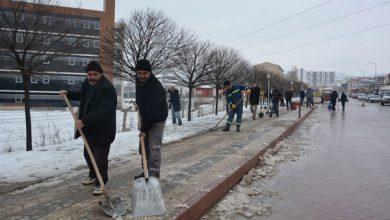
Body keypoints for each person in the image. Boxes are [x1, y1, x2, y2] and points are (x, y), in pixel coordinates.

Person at [59, 61, 117, 195]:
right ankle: (92, 175)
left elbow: (103, 110)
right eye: (89, 74)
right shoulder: (87, 83)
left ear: (100, 74)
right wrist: (68, 93)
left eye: (94, 74)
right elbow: (82, 94)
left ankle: (101, 183)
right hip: (90, 129)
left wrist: (84, 121)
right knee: (87, 154)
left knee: (99, 158)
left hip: (103, 130)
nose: (91, 77)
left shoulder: (107, 89)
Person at [134, 59, 168, 179]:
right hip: (146, 117)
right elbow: (141, 98)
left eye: (145, 73)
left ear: (150, 72)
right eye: (140, 73)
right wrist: (138, 104)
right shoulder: (139, 82)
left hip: (157, 119)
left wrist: (144, 130)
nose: (142, 76)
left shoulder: (156, 87)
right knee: (143, 146)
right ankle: (146, 170)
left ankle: (154, 174)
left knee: (154, 148)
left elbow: (154, 112)